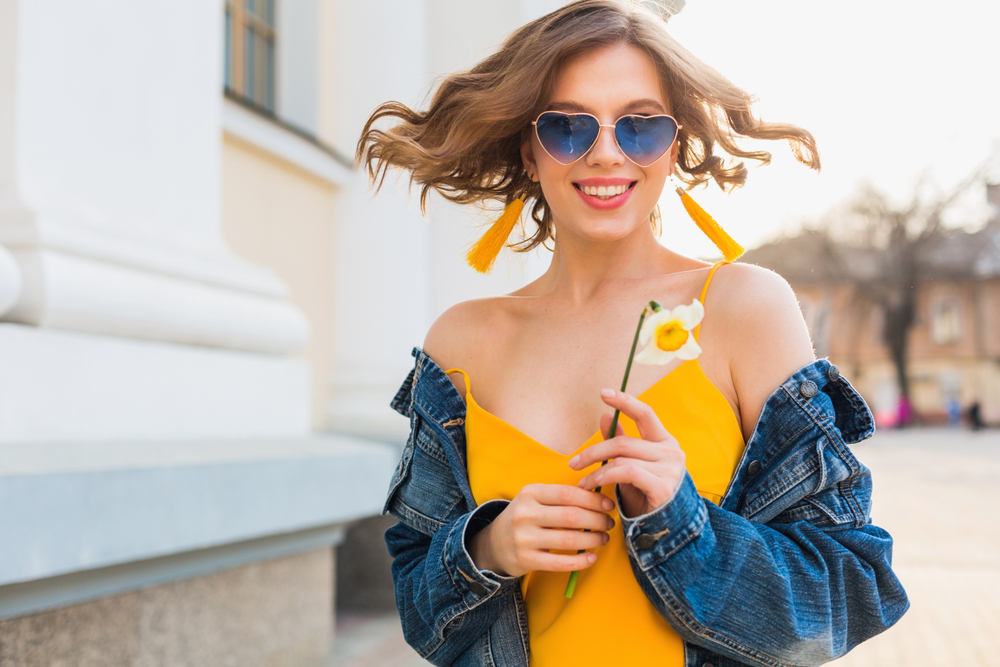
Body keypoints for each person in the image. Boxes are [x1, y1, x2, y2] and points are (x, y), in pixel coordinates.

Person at [359, 2, 908, 665]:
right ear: (529, 150)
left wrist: (681, 523)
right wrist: (488, 549)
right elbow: (420, 610)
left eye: (640, 127)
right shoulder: (462, 341)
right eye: (567, 126)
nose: (605, 153)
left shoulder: (742, 308)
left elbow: (847, 590)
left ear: (673, 146)